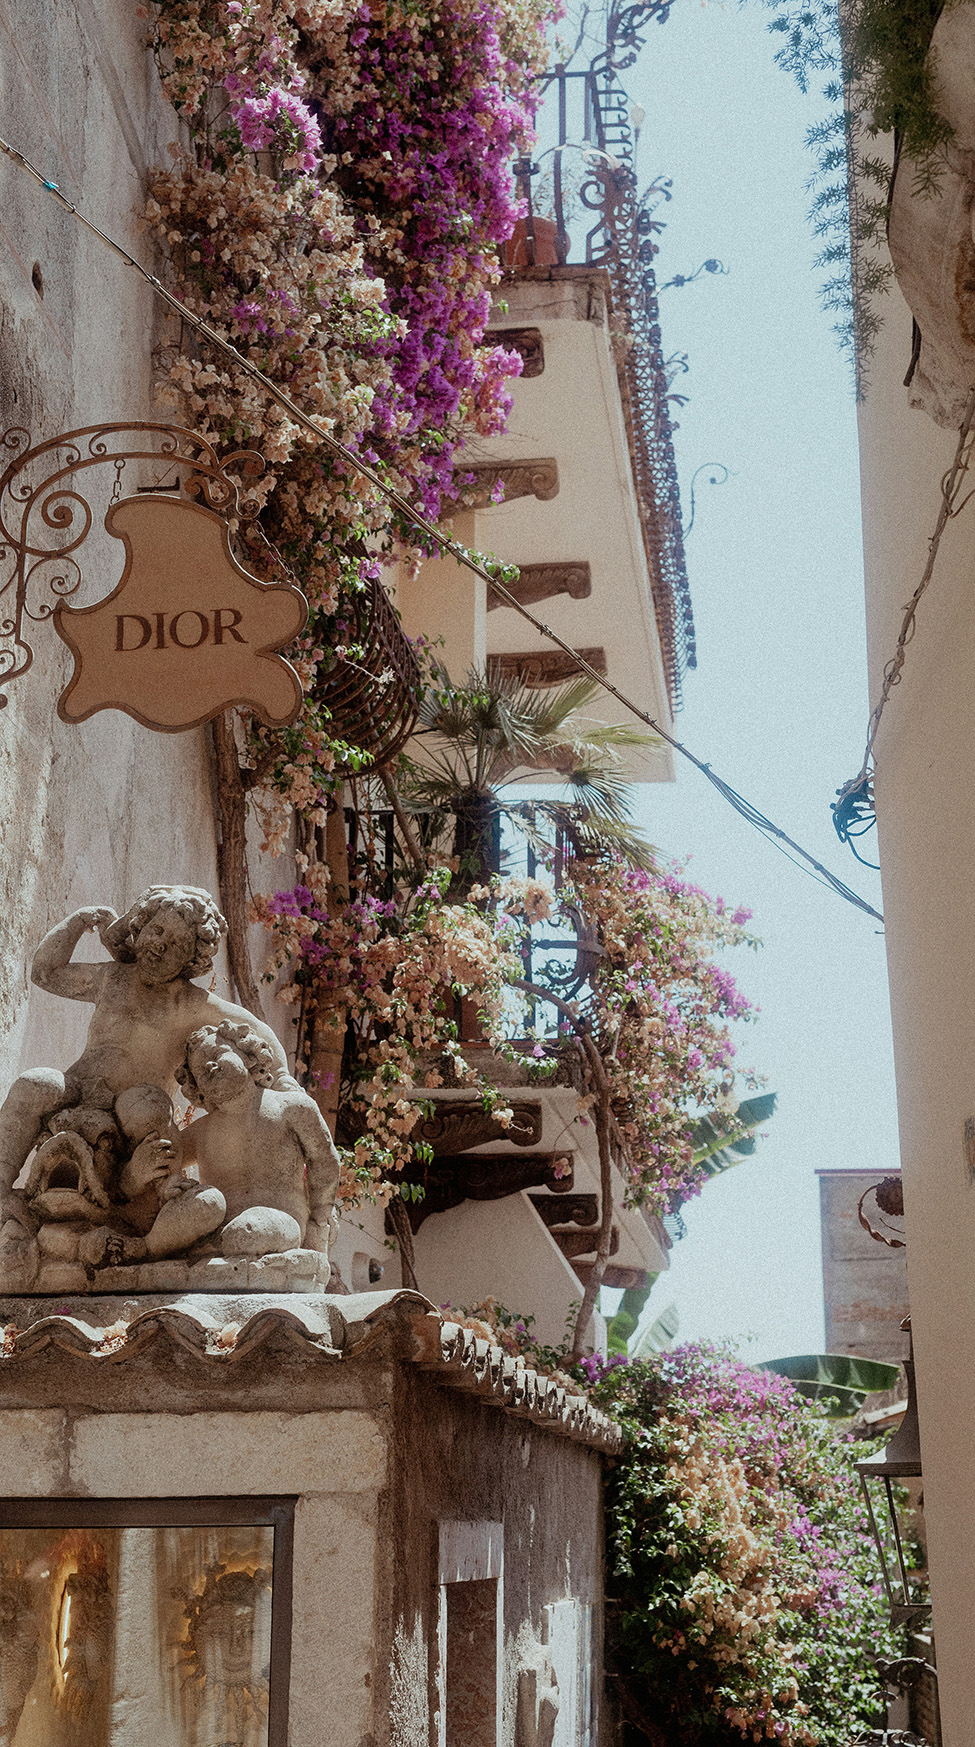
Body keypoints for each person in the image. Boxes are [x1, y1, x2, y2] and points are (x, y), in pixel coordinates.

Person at [0, 886, 292, 1224]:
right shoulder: (112, 978)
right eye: (156, 930)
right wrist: (78, 922)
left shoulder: (190, 1004)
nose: (160, 945)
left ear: (192, 959)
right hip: (78, 1089)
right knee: (34, 1083)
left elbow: (259, 1032)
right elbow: (45, 973)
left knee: (147, 1102)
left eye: (178, 944)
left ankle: (155, 1197)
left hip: (135, 1110)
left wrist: (283, 1085)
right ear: (140, 928)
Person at [177, 1020, 340, 1252]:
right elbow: (166, 1160)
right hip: (215, 1225)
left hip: (279, 1221)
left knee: (247, 1232)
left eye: (218, 1053)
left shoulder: (291, 1107)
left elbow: (324, 1160)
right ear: (199, 1090)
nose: (210, 1066)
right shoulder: (201, 1131)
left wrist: (320, 1216)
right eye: (201, 1072)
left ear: (248, 1055)